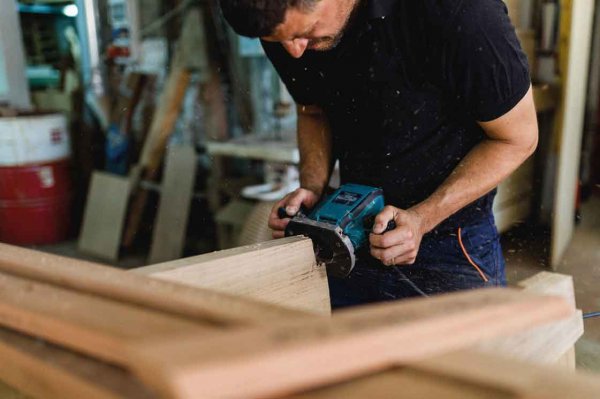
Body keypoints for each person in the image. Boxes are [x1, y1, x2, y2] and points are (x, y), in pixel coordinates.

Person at [219, 0, 539, 307]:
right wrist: (313, 189)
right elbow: (312, 110)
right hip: (348, 236)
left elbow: (517, 139)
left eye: (305, 33)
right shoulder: (284, 25)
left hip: (450, 240)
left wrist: (422, 218)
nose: (295, 51)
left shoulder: (461, 12)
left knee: (461, 362)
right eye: (278, 40)